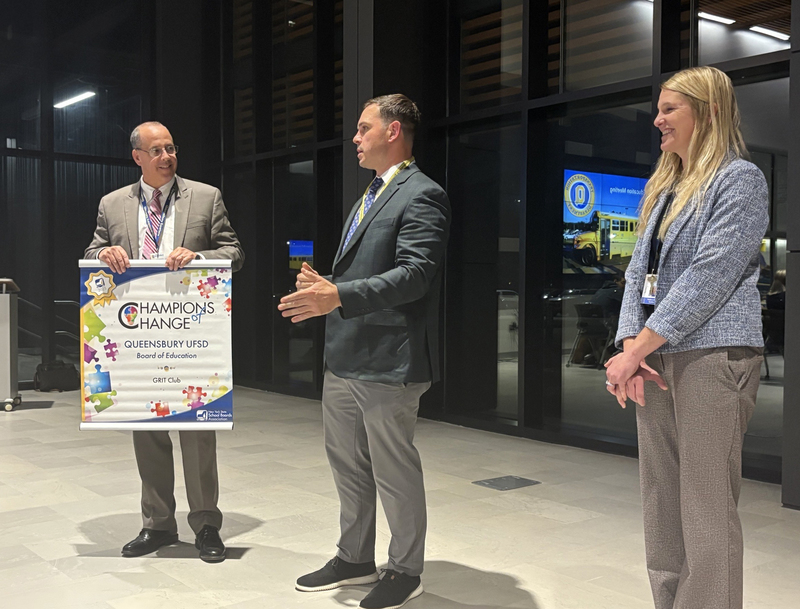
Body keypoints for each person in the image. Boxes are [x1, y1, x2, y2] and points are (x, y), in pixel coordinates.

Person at [605, 66, 768, 609]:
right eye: (659, 109)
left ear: (710, 112)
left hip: (712, 356)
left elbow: (710, 275)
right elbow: (638, 273)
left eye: (670, 109)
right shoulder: (666, 186)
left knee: (705, 506)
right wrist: (629, 345)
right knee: (662, 499)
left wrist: (639, 349)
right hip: (657, 356)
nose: (657, 120)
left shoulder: (739, 179)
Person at [278, 94, 450, 609]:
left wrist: (339, 294)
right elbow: (363, 273)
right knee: (348, 467)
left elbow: (415, 275)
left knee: (393, 472)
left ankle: (405, 570)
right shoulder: (369, 195)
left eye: (363, 128)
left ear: (393, 131)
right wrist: (327, 284)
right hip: (346, 355)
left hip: (389, 359)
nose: (355, 138)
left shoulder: (423, 193)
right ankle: (354, 558)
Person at [85, 121, 244, 562]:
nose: (166, 157)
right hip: (138, 336)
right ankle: (157, 524)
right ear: (137, 157)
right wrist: (103, 254)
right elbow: (93, 252)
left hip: (190, 332)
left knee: (198, 433)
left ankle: (206, 526)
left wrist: (200, 256)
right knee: (147, 429)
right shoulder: (112, 203)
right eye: (156, 150)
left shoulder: (206, 197)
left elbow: (233, 252)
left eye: (171, 148)